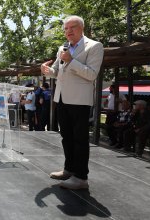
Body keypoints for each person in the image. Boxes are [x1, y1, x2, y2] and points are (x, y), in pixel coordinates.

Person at [41, 15, 104, 190]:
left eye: (72, 27)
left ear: (81, 28)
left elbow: (91, 74)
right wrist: (48, 71)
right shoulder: (62, 48)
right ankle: (69, 169)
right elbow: (57, 71)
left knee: (80, 139)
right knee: (66, 137)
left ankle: (81, 177)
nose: (68, 31)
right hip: (61, 98)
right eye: (65, 28)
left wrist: (71, 60)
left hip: (80, 101)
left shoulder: (94, 46)